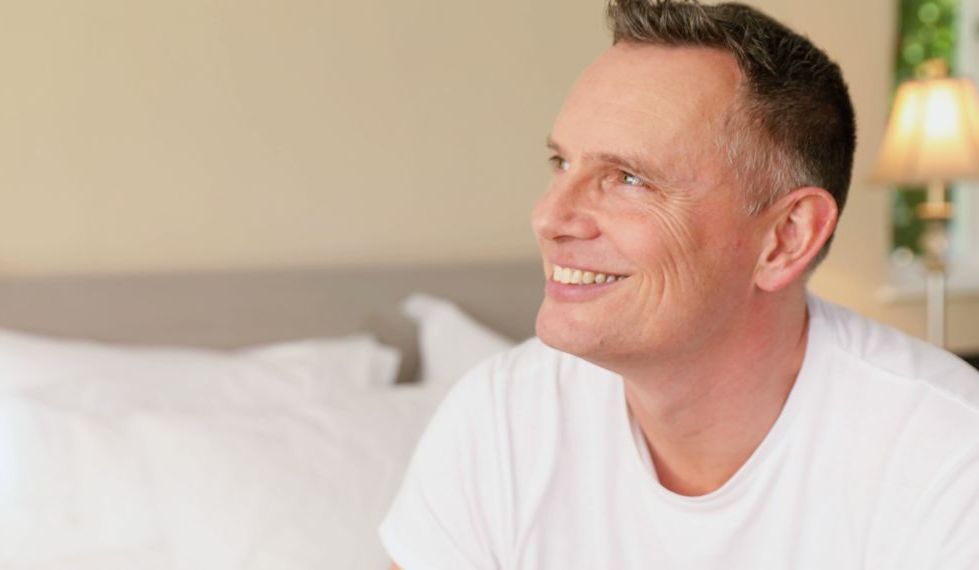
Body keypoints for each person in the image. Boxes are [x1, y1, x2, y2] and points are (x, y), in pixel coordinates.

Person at [380, 0, 979, 568]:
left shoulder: (949, 457)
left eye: (629, 178)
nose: (549, 218)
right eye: (561, 164)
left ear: (787, 238)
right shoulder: (500, 419)